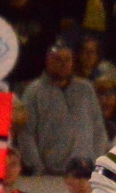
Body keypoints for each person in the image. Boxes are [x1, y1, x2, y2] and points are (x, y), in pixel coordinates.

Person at [20, 41, 109, 175]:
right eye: (57, 59)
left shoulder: (85, 88)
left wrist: (97, 162)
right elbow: (26, 134)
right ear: (48, 61)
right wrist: (37, 167)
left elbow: (99, 129)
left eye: (67, 60)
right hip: (51, 172)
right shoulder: (34, 92)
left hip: (85, 171)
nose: (63, 64)